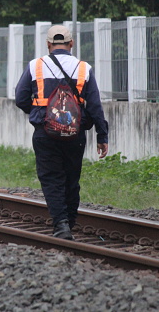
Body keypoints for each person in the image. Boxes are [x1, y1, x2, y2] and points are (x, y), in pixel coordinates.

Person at [15, 25, 109, 240]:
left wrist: (43, 115)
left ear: (48, 44)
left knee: (51, 178)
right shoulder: (84, 68)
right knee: (71, 178)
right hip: (75, 134)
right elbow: (95, 106)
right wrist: (102, 136)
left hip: (45, 133)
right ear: (71, 44)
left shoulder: (35, 66)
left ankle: (61, 225)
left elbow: (20, 99)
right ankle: (70, 221)